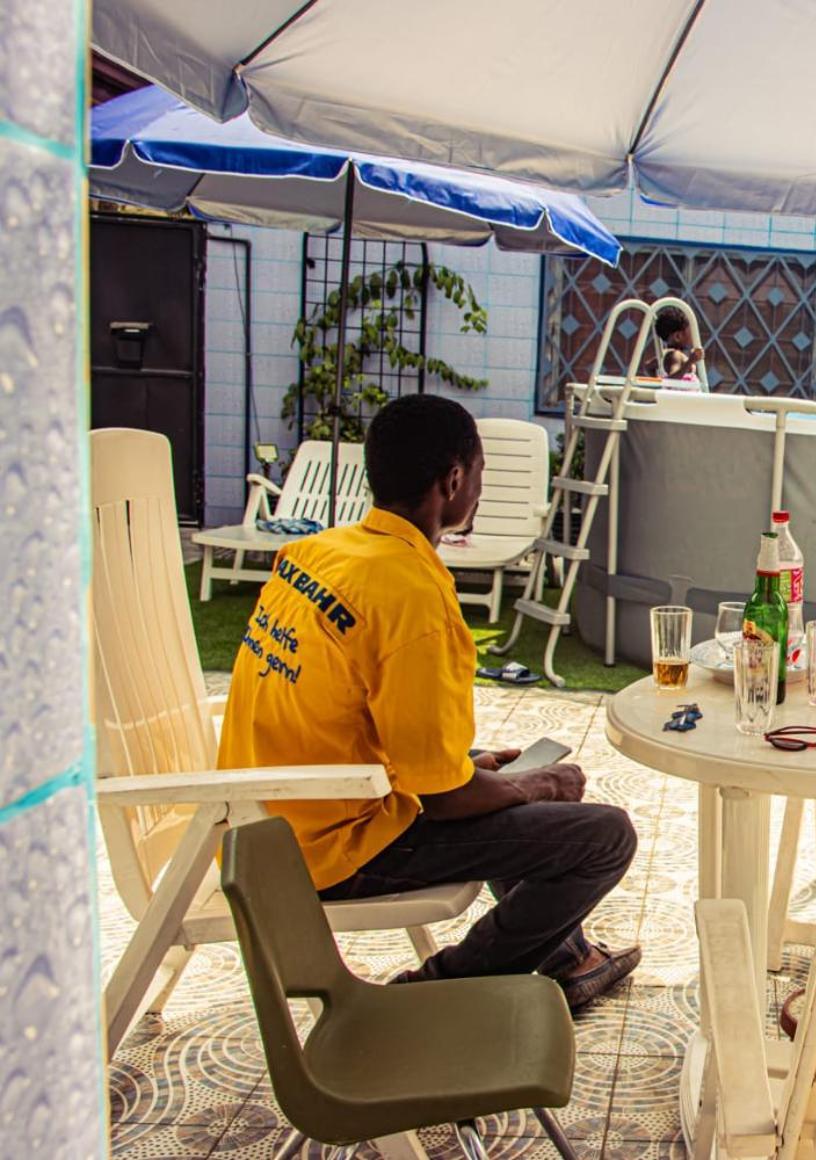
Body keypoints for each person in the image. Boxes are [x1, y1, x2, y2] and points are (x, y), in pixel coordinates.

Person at [217, 394, 640, 1014]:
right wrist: (536, 787)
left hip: (267, 816)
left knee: (497, 781)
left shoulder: (316, 553)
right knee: (604, 836)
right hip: (331, 846)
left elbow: (350, 716)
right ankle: (431, 993)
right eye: (481, 474)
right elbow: (446, 800)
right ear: (453, 481)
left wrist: (476, 768)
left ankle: (568, 958)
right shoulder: (413, 596)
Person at [653, 306, 705, 381]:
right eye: (690, 330)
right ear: (678, 336)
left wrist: (657, 381)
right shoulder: (676, 355)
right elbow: (672, 380)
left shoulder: (664, 354)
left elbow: (648, 366)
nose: (694, 334)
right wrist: (690, 361)